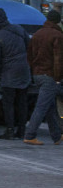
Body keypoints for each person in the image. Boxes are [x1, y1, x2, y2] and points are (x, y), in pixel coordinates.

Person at [0, 8, 31, 140]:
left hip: (9, 74)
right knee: (22, 103)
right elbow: (29, 47)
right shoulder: (19, 29)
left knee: (9, 103)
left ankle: (10, 130)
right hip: (24, 71)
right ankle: (22, 130)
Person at [23, 9, 63, 145]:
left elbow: (29, 55)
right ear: (58, 21)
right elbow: (59, 60)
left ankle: (57, 136)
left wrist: (34, 71)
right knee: (41, 107)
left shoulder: (37, 34)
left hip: (37, 75)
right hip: (49, 75)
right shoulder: (57, 35)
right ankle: (30, 135)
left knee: (49, 107)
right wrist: (58, 78)